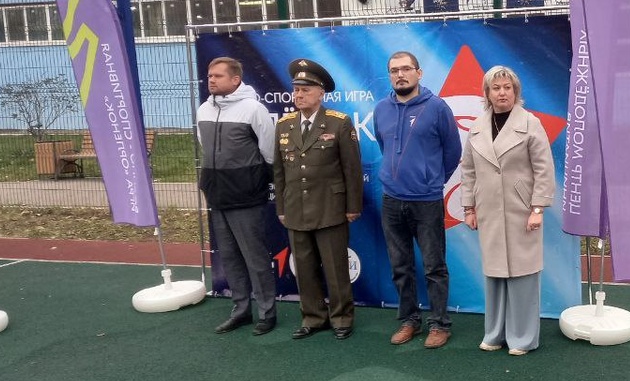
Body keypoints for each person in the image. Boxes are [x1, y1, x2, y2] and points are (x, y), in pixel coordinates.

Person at [460, 65, 555, 355]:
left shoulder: (530, 123)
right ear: (487, 93)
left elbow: (543, 169)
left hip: (521, 211)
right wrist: (469, 207)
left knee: (523, 274)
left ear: (516, 91)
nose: (502, 93)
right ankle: (494, 334)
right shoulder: (477, 127)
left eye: (507, 87)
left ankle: (522, 338)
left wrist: (538, 208)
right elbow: (468, 170)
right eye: (496, 88)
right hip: (488, 210)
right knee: (495, 274)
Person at [373, 50, 463, 349]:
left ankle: (439, 324)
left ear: (419, 73)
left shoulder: (437, 108)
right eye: (394, 70)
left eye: (406, 69)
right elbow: (384, 145)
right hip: (391, 200)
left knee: (434, 267)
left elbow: (453, 152)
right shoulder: (381, 109)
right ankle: (409, 320)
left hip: (426, 201)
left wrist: (431, 180)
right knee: (400, 266)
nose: (400, 75)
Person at [272, 58, 364, 341]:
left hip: (330, 207)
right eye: (296, 89)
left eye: (305, 90)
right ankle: (313, 317)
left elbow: (352, 169)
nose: (298, 95)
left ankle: (341, 318)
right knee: (304, 268)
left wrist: (352, 207)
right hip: (296, 208)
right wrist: (281, 208)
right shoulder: (284, 125)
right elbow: (279, 171)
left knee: (336, 268)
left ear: (321, 93)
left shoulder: (338, 123)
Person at [197, 56, 278, 336]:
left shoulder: (254, 109)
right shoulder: (203, 109)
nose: (211, 79)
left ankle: (267, 313)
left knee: (255, 258)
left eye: (218, 76)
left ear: (235, 80)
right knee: (230, 257)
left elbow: (270, 152)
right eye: (210, 75)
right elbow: (206, 148)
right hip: (217, 196)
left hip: (247, 196)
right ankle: (241, 311)